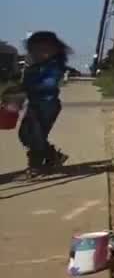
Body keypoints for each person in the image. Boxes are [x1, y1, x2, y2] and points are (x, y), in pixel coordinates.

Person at [16, 31, 72, 176]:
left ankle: (36, 164)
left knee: (36, 136)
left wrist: (29, 86)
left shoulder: (54, 66)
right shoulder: (34, 66)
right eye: (33, 50)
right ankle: (53, 156)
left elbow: (49, 84)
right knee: (24, 134)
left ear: (54, 50)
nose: (37, 53)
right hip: (34, 105)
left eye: (42, 50)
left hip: (47, 106)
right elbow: (25, 83)